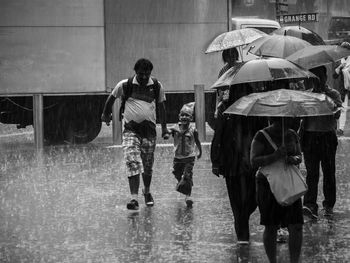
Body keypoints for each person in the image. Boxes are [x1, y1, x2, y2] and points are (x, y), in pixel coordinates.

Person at [101, 58, 169, 210]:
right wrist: (105, 114)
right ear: (135, 72)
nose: (144, 77)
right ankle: (134, 198)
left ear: (150, 72)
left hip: (149, 132)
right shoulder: (125, 85)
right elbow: (111, 98)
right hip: (131, 130)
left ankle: (147, 191)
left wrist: (164, 129)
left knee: (147, 165)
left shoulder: (157, 86)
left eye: (147, 74)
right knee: (132, 161)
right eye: (141, 74)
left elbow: (162, 107)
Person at [211, 83, 263, 244]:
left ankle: (242, 220)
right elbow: (218, 135)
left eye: (244, 90)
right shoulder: (225, 109)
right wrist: (215, 160)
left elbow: (261, 132)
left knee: (254, 197)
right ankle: (242, 234)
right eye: (238, 90)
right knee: (235, 199)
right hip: (231, 160)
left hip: (251, 159)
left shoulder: (256, 108)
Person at [250, 117, 303, 263]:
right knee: (271, 225)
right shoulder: (261, 135)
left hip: (290, 183)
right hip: (268, 184)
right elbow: (253, 161)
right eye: (279, 121)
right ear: (272, 120)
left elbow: (299, 155)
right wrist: (275, 156)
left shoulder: (292, 134)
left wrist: (294, 159)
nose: (282, 125)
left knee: (296, 225)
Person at [300, 66, 342, 219]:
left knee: (329, 172)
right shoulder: (307, 96)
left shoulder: (333, 94)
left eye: (320, 77)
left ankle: (329, 205)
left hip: (327, 137)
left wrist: (333, 108)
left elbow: (337, 113)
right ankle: (310, 205)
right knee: (312, 173)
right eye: (314, 78)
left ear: (325, 78)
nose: (317, 81)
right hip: (310, 137)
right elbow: (302, 115)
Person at [169, 102, 202, 207]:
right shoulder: (175, 128)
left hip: (189, 157)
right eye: (182, 115)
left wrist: (200, 151)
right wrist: (166, 133)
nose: (184, 117)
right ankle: (181, 184)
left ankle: (188, 196)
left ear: (191, 118)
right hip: (177, 158)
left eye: (187, 115)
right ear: (179, 117)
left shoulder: (193, 130)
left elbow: (197, 141)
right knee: (177, 174)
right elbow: (168, 132)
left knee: (187, 176)